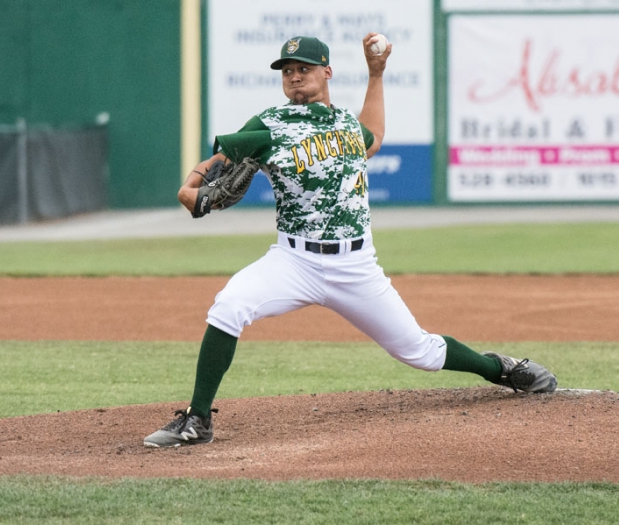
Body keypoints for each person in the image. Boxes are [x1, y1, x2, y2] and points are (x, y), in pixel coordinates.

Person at [144, 34, 557, 448]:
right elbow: (221, 160)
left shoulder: (344, 123)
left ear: (326, 72)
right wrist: (193, 184)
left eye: (303, 69)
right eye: (287, 71)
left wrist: (376, 74)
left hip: (356, 266)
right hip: (294, 262)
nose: (294, 77)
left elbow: (372, 137)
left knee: (421, 352)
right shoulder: (269, 124)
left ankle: (499, 368)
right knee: (230, 304)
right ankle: (197, 420)